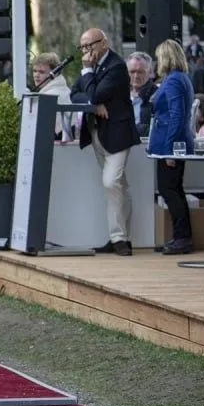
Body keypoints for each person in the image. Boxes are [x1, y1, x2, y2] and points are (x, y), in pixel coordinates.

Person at [71, 28, 139, 256]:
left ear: (104, 43)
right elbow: (75, 94)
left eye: (89, 45)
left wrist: (88, 75)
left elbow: (94, 94)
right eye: (82, 46)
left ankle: (118, 238)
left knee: (111, 182)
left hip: (118, 134)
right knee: (118, 186)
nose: (86, 50)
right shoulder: (91, 67)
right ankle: (121, 237)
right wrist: (94, 104)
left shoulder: (116, 66)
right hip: (97, 133)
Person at [147, 39, 196, 256]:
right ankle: (180, 236)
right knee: (174, 189)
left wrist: (168, 150)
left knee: (170, 190)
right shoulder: (179, 78)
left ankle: (183, 238)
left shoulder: (174, 80)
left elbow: (176, 115)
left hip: (171, 143)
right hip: (174, 141)